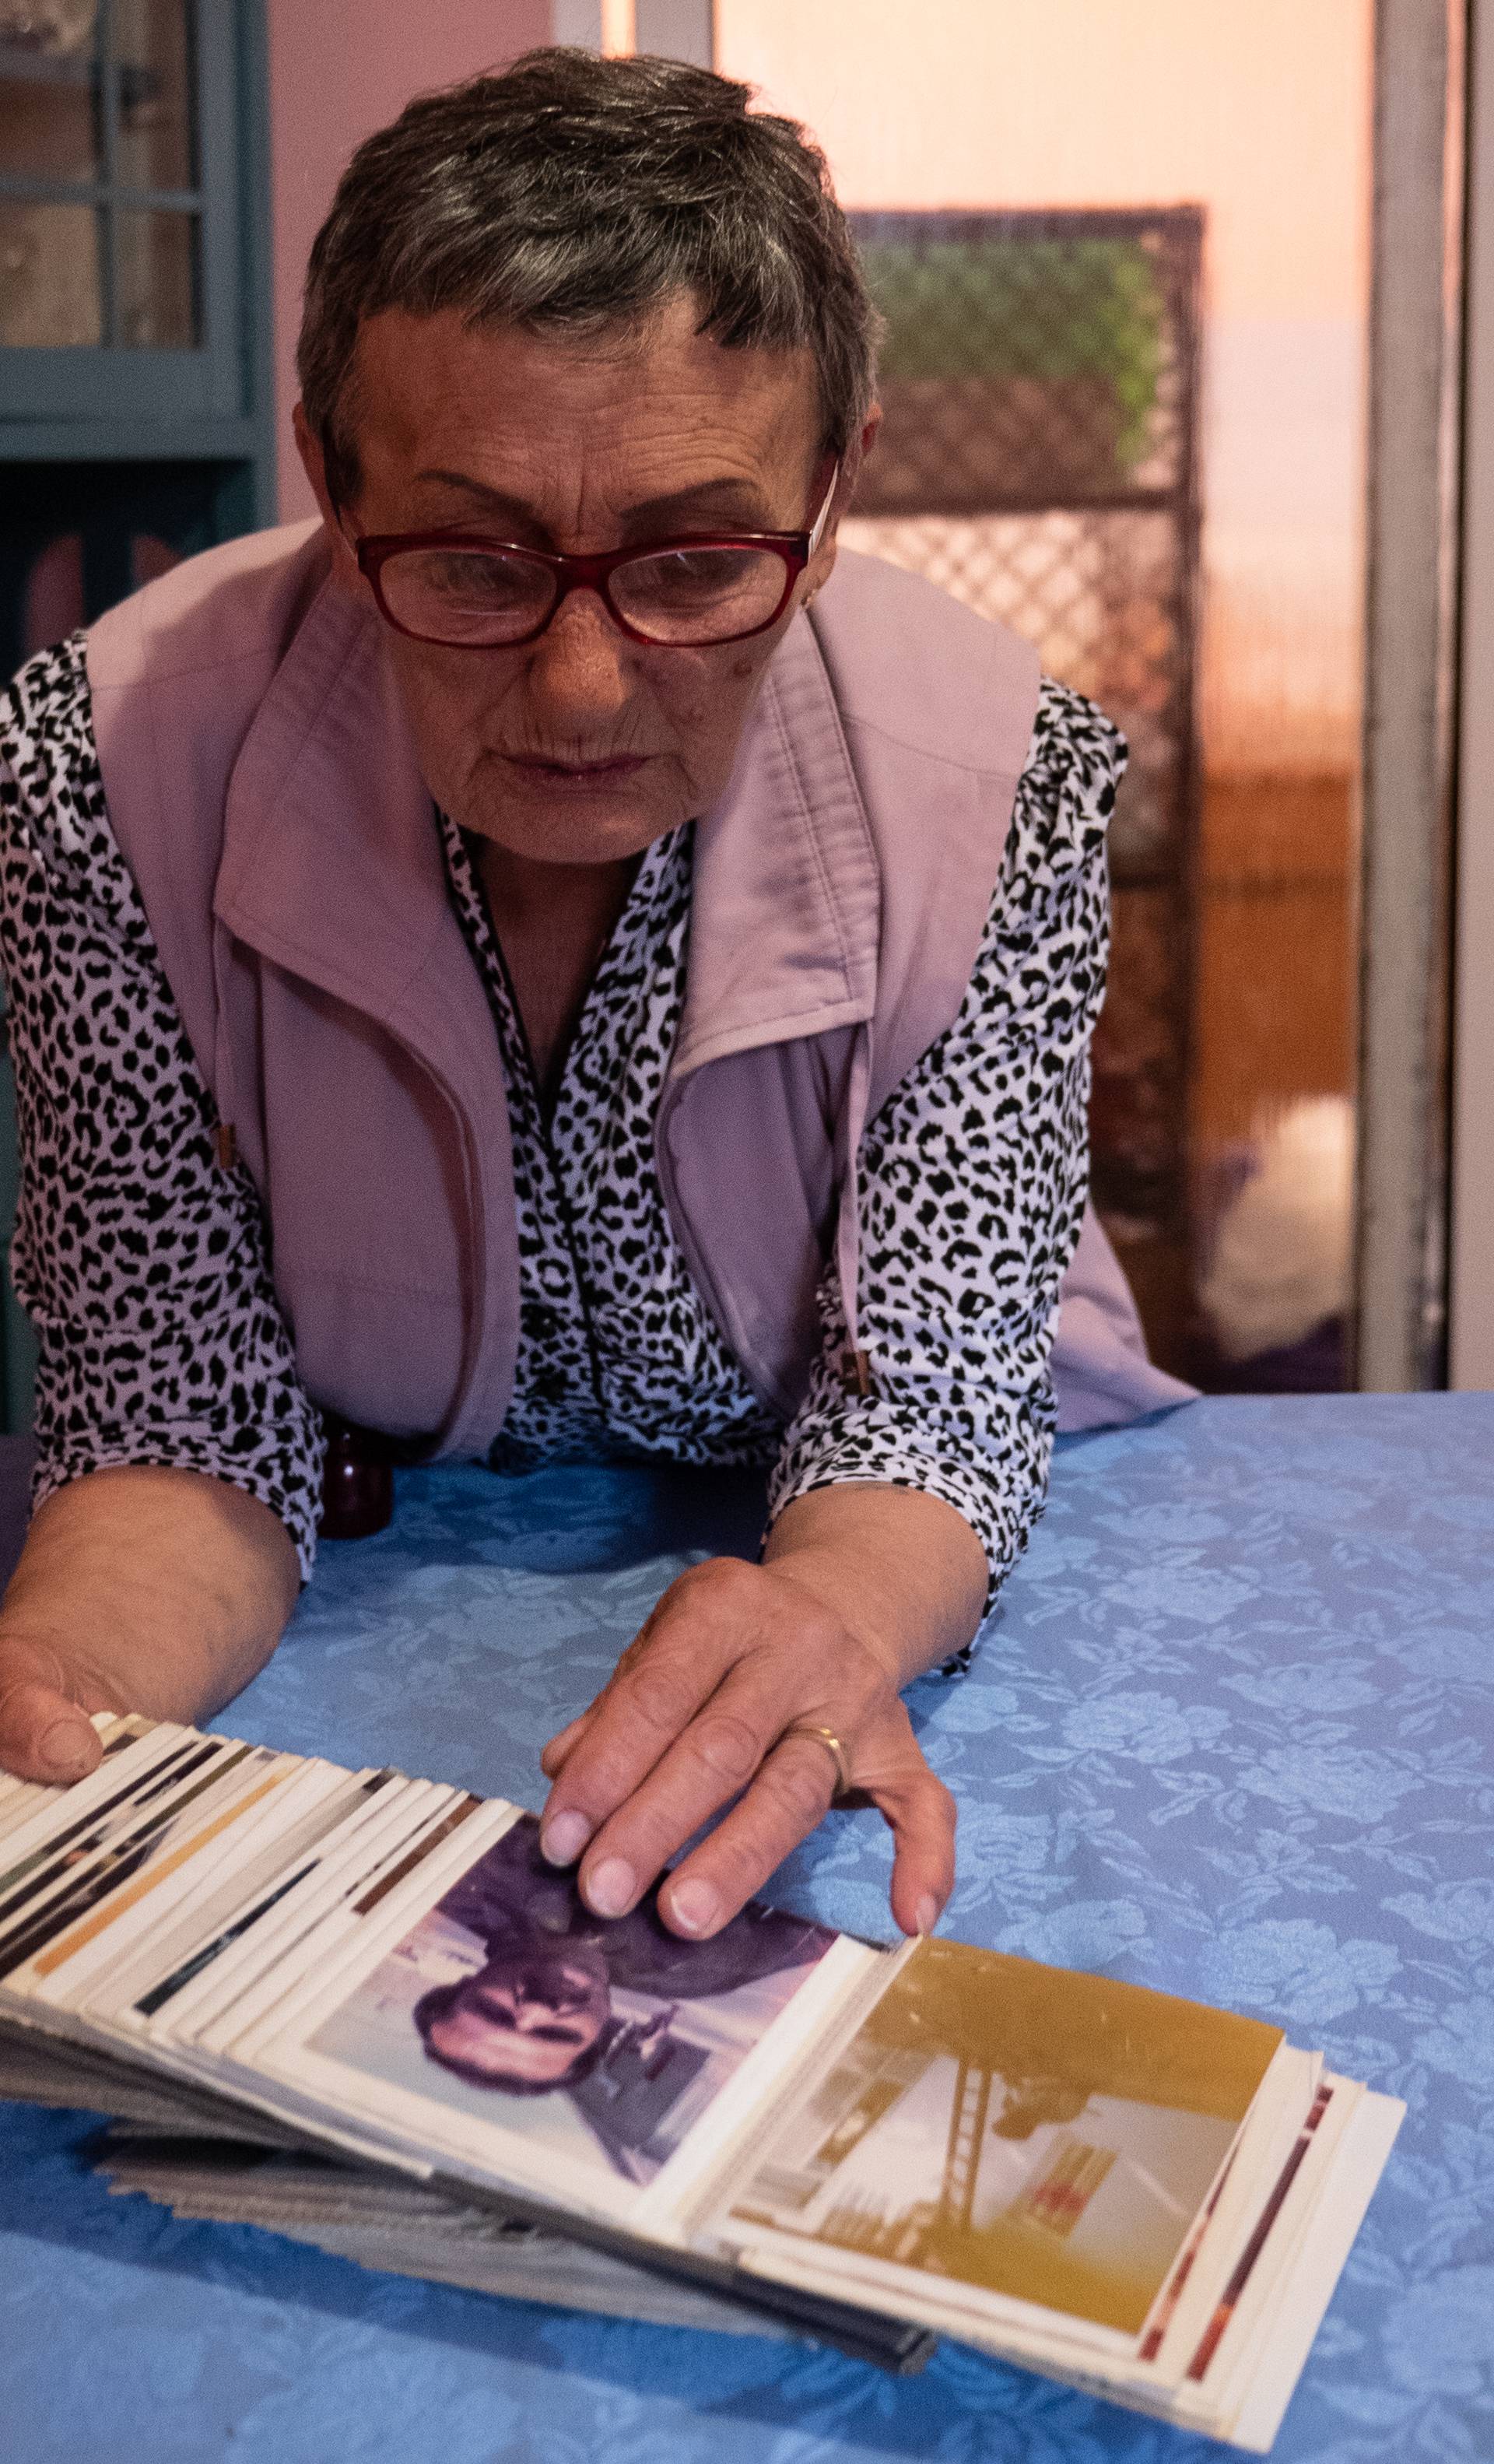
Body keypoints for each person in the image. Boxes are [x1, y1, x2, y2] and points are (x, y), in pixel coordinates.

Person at [0, 51, 1188, 1947]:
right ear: (328, 475)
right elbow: (177, 1414)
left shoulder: (1000, 782)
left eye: (698, 562)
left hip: (852, 1534)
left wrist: (834, 1616)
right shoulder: (103, 767)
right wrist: (51, 1674)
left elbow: (937, 1400)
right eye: (470, 558)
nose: (575, 691)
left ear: (833, 483)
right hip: (374, 1554)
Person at [412, 1818, 831, 2096]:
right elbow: (840, 1896)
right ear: (598, 2033)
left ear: (464, 1985)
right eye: (557, 2035)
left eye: (495, 2012)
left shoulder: (455, 1874)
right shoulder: (704, 1972)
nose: (539, 2009)